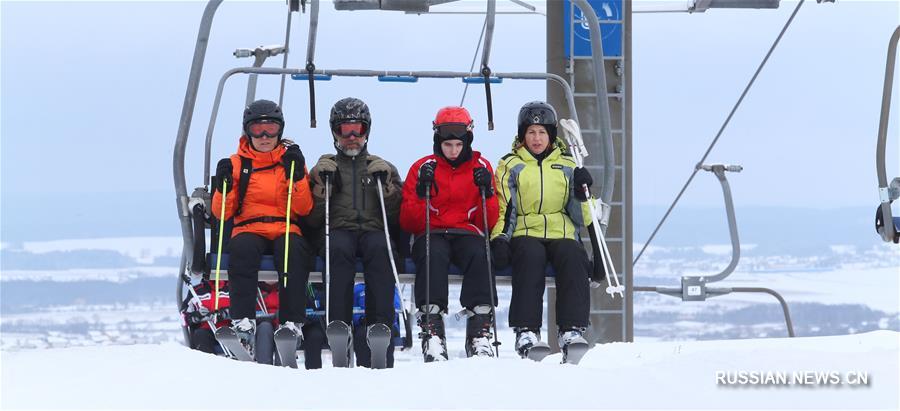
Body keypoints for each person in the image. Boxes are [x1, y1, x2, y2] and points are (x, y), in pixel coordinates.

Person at [490, 101, 595, 362]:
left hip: (562, 231)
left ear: (551, 135)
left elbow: (582, 218)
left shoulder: (568, 165)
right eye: (531, 132)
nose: (537, 139)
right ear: (522, 135)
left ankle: (571, 330)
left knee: (573, 254)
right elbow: (505, 207)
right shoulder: (511, 165)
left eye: (542, 132)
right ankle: (526, 331)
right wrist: (500, 238)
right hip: (526, 230)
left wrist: (584, 195)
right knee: (530, 254)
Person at [211, 99, 314, 355]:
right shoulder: (238, 164)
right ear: (248, 131)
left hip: (285, 225)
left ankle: (292, 321)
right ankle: (242, 322)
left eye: (271, 128)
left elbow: (303, 208)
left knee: (292, 252)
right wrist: (223, 186)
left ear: (280, 130)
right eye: (258, 129)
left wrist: (298, 178)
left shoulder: (291, 161)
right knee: (242, 250)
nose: (265, 136)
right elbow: (222, 212)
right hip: (249, 226)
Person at [306, 97, 403, 367]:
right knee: (338, 248)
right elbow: (312, 218)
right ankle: (339, 325)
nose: (351, 137)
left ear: (366, 131)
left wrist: (386, 187)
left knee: (381, 249)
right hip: (338, 229)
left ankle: (380, 327)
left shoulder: (381, 167)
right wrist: (322, 186)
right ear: (334, 132)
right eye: (344, 130)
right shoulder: (325, 169)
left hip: (373, 229)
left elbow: (396, 216)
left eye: (357, 130)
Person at [399, 106, 499, 362]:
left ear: (467, 141)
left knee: (481, 253)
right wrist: (423, 193)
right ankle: (432, 330)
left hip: (467, 231)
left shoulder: (481, 167)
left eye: (458, 145)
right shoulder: (423, 168)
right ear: (437, 141)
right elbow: (408, 221)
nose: (453, 151)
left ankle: (479, 330)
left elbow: (488, 221)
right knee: (434, 254)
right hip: (433, 230)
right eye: (448, 145)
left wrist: (486, 192)